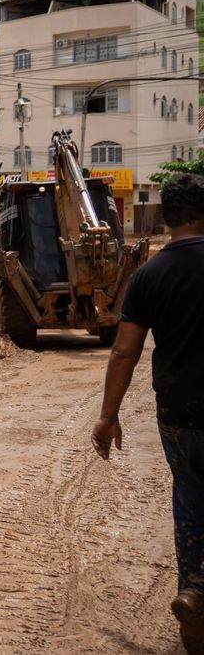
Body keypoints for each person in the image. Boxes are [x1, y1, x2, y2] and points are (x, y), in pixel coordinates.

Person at [92, 173, 204, 653]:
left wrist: (108, 415)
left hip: (179, 410)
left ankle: (195, 590)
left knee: (192, 498)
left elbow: (124, 353)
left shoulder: (148, 276)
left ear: (166, 217)